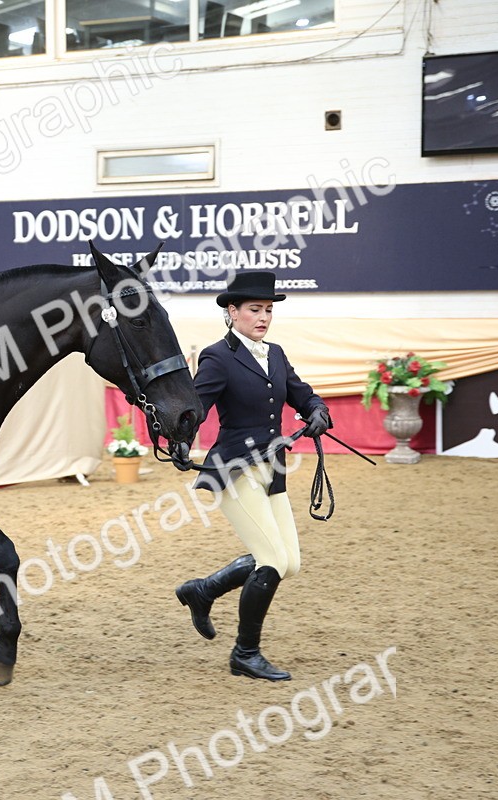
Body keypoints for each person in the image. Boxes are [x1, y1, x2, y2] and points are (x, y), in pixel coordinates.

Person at [175, 271, 331, 681]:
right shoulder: (217, 356)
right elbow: (197, 407)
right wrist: (179, 436)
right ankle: (245, 653)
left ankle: (203, 590)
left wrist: (316, 410)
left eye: (268, 310)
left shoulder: (275, 353)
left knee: (289, 563)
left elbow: (301, 392)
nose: (263, 317)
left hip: (272, 466)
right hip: (233, 468)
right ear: (233, 312)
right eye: (254, 310)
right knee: (272, 559)